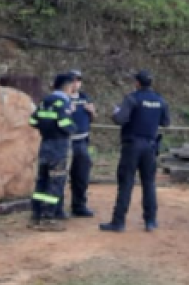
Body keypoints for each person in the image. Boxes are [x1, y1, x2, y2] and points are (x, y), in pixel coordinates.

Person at [101, 70, 171, 233]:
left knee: (126, 183)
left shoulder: (132, 98)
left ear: (137, 83)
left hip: (132, 145)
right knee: (149, 183)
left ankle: (118, 222)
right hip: (150, 146)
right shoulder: (160, 100)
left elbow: (120, 119)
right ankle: (150, 221)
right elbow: (166, 122)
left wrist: (115, 112)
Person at [28, 74, 76, 232]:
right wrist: (73, 127)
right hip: (58, 146)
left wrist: (46, 128)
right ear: (67, 86)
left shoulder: (45, 101)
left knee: (42, 180)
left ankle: (36, 215)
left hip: (45, 144)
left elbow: (32, 121)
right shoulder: (62, 103)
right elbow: (65, 124)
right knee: (55, 181)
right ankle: (48, 218)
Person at [66, 70, 95, 218]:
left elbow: (92, 117)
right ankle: (55, 208)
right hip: (65, 142)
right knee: (59, 176)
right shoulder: (62, 98)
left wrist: (92, 112)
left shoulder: (85, 98)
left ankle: (79, 206)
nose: (76, 83)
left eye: (78, 80)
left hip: (82, 141)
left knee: (81, 175)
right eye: (73, 80)